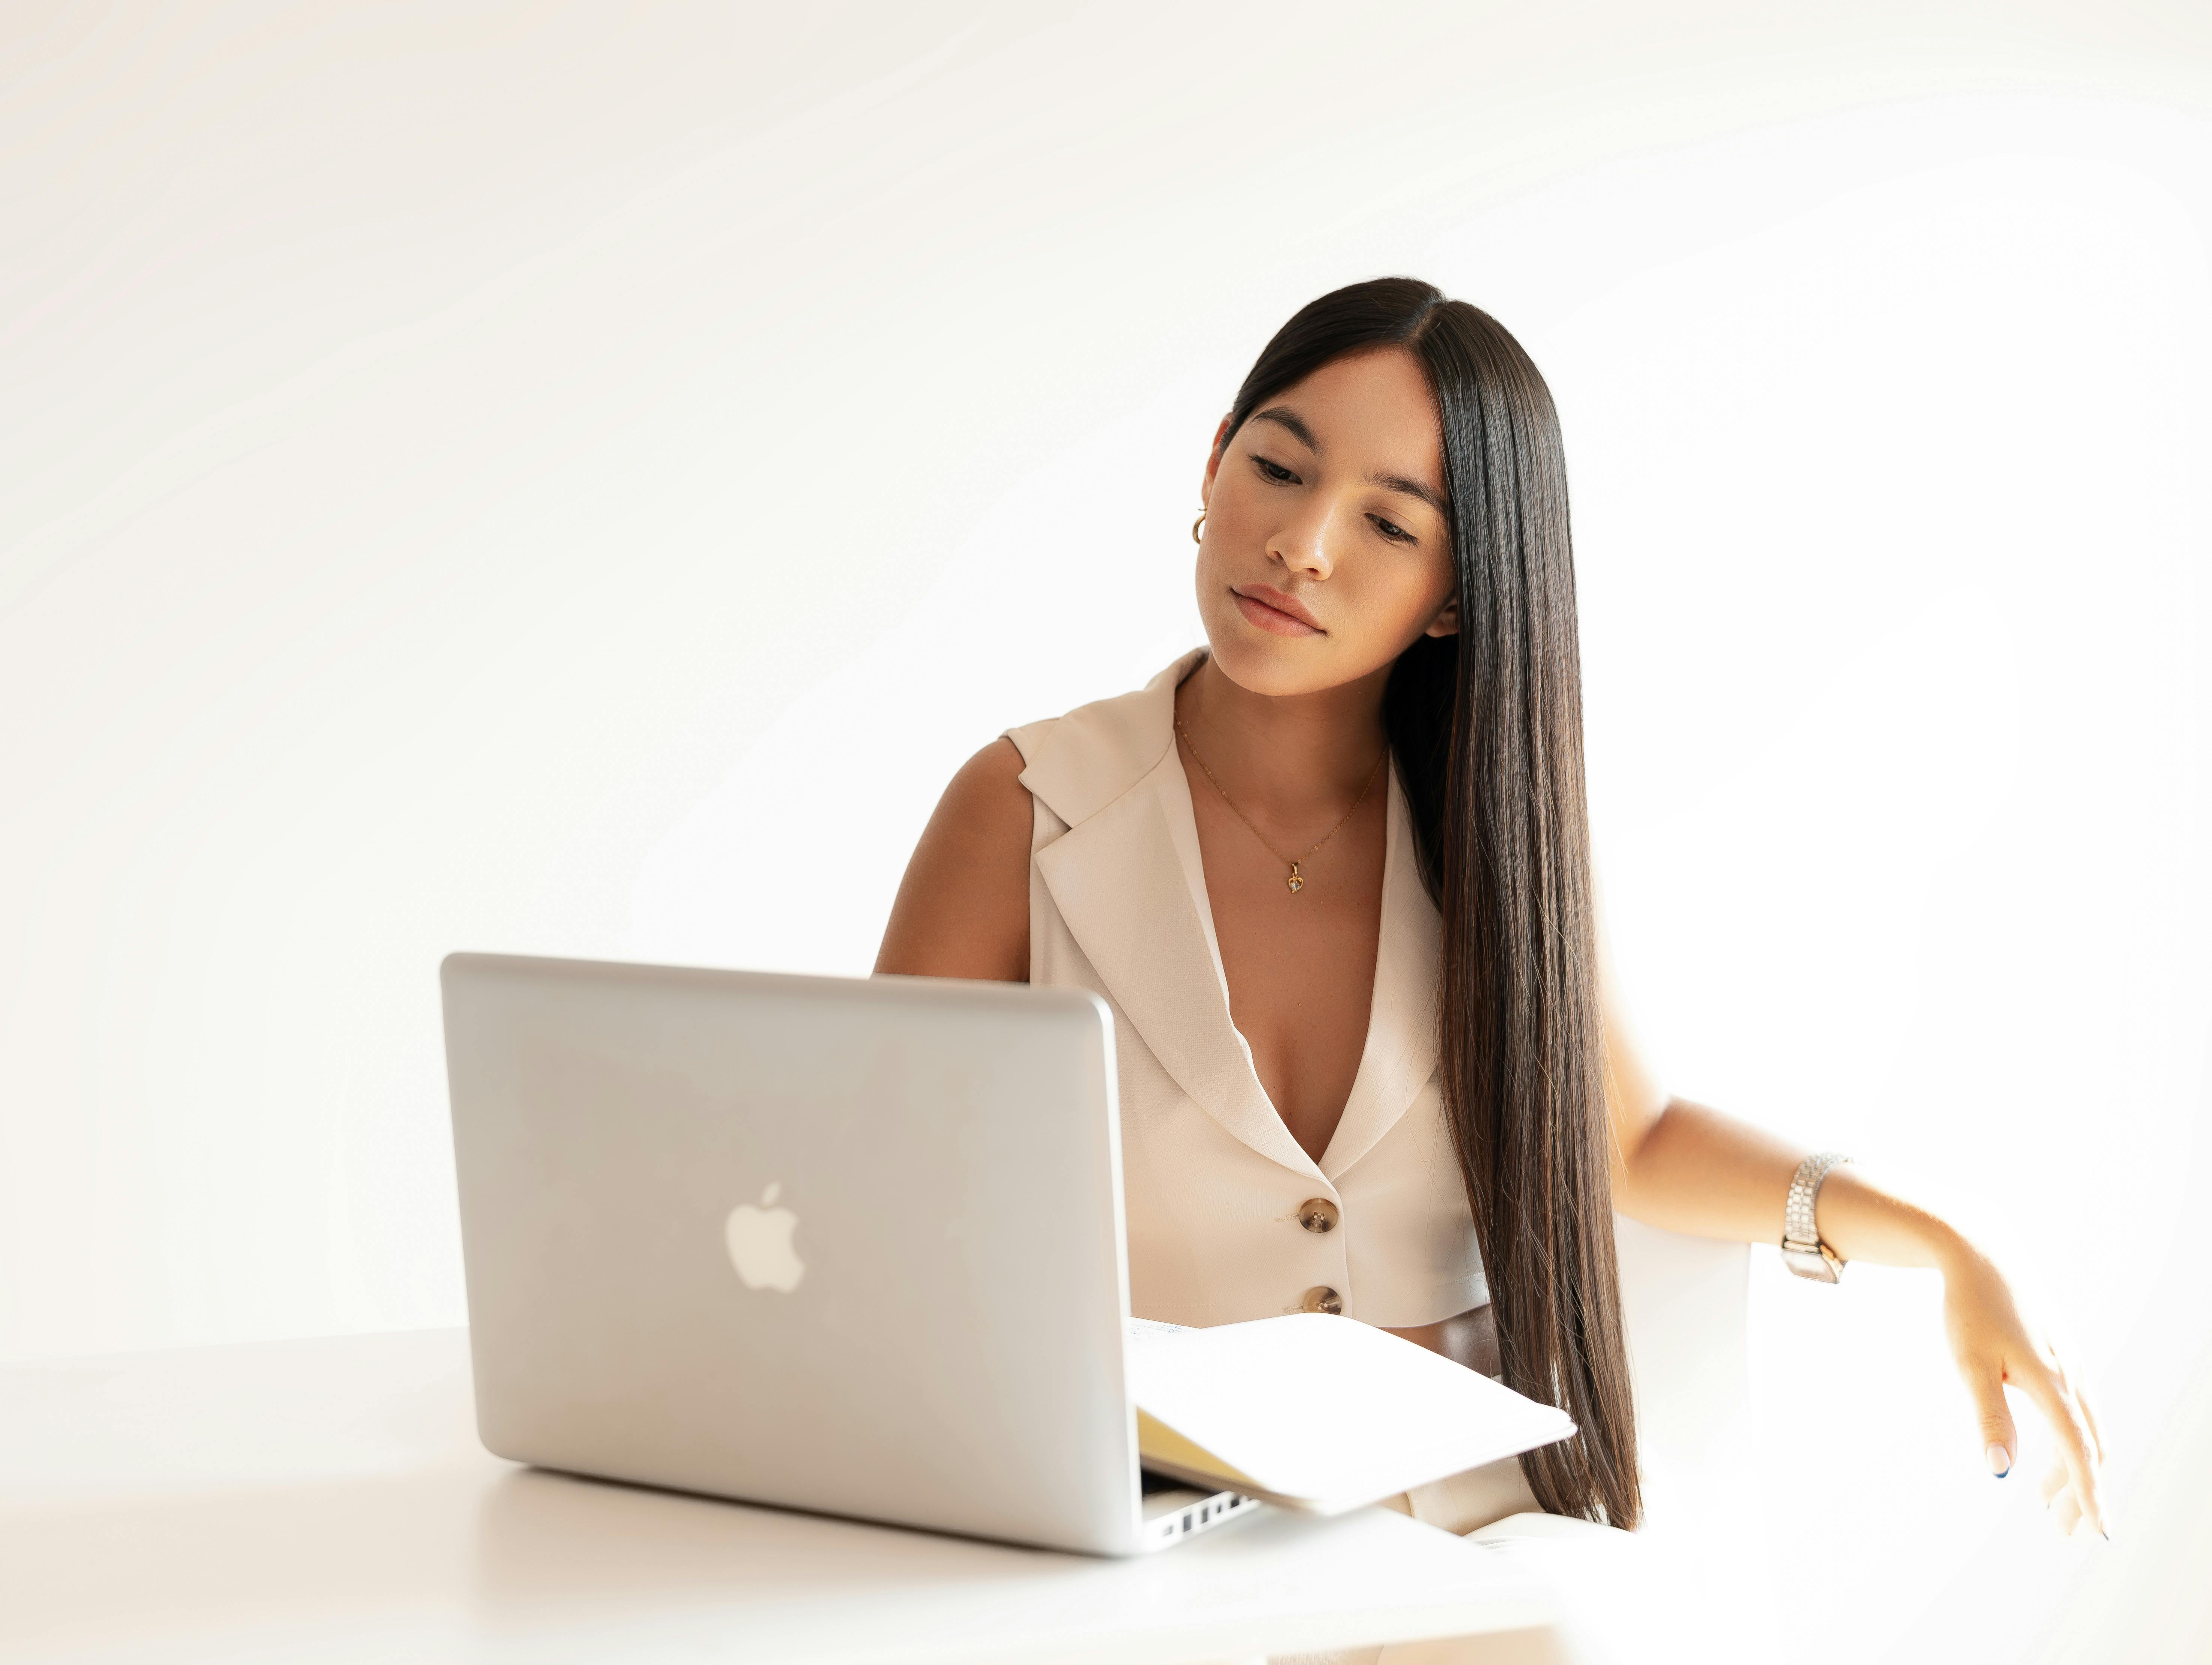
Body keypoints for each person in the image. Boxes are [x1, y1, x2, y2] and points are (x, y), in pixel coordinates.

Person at [872, 278, 2108, 1661]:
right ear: (1213, 462)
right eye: (1277, 467)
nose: (1301, 544)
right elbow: (882, 1204)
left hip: (1458, 1541)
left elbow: (1630, 1140)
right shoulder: (1026, 807)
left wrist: (1944, 1239)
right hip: (1139, 1535)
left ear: (1457, 597)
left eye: (1388, 523)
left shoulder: (1501, 837)